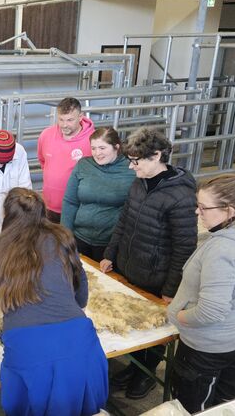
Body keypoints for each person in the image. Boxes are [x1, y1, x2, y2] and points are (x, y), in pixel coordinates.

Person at [0, 188, 108, 416]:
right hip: (82, 343)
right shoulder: (62, 239)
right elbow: (81, 293)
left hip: (30, 350)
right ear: (42, 213)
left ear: (7, 215)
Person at [99, 127, 198, 399]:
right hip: (131, 268)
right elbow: (124, 220)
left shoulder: (180, 195)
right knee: (134, 326)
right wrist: (110, 254)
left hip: (157, 276)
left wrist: (171, 288)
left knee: (153, 330)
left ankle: (147, 373)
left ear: (156, 156)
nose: (131, 167)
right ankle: (135, 367)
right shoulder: (140, 182)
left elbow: (184, 247)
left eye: (136, 161)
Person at [167, 174, 235, 413]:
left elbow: (211, 311)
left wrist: (179, 316)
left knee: (193, 402)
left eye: (203, 207)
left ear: (231, 211)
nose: (197, 212)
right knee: (225, 395)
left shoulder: (223, 250)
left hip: (208, 344)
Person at [61, 127, 135, 262]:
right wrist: (66, 235)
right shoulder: (83, 165)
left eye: (102, 148)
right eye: (93, 148)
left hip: (111, 244)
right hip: (79, 238)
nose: (97, 153)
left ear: (116, 147)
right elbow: (70, 202)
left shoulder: (131, 169)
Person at [37, 97, 96, 223]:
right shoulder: (46, 135)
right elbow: (43, 161)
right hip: (48, 206)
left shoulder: (93, 140)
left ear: (80, 117)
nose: (64, 125)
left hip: (77, 208)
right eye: (61, 119)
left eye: (70, 120)